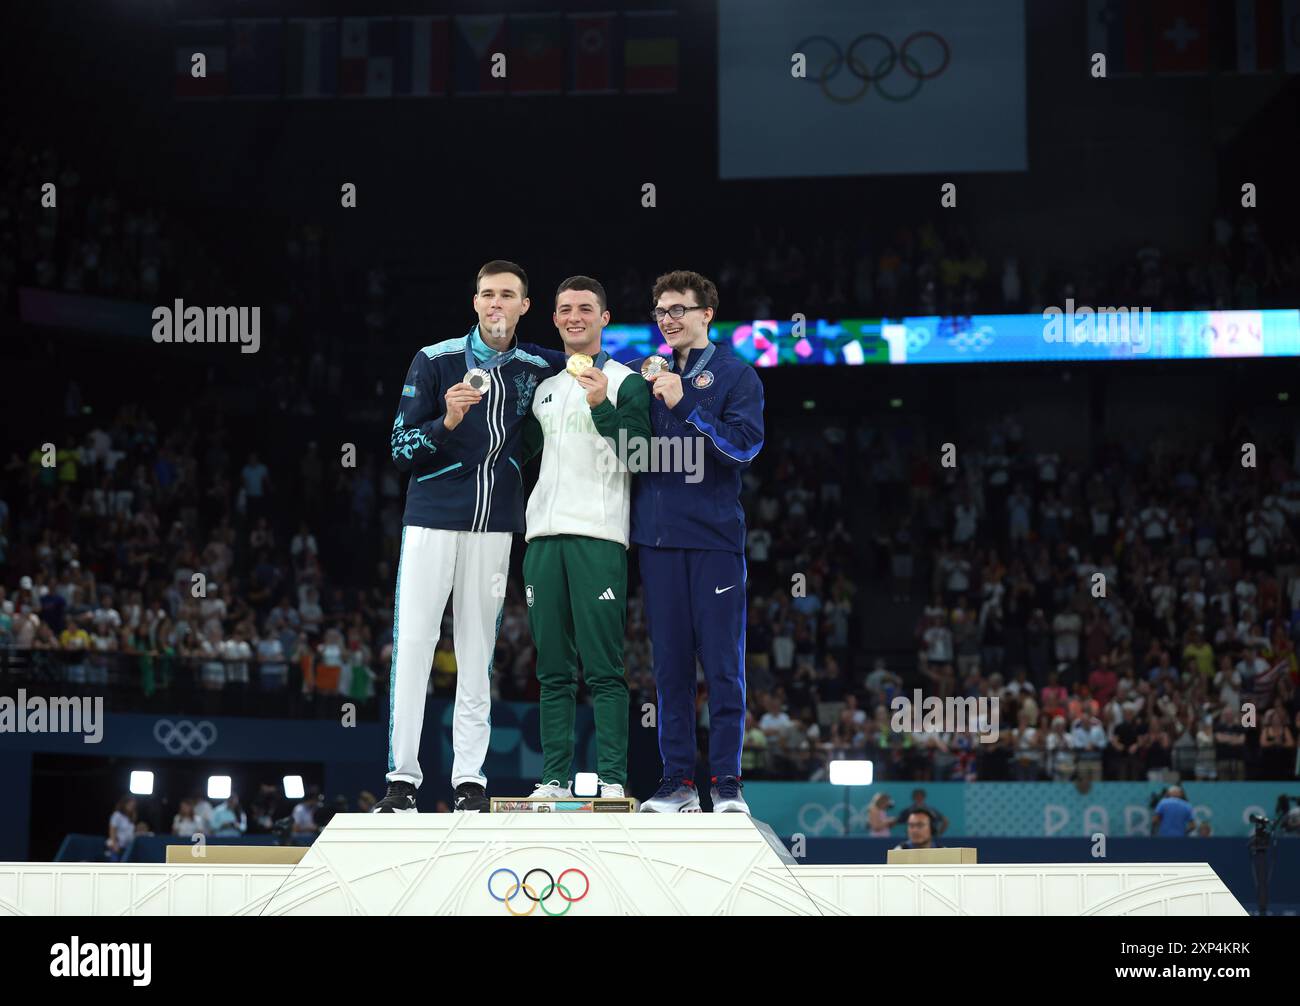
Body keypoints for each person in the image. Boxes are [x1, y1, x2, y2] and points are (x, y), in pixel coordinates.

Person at [375, 261, 565, 813]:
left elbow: (590, 363)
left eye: (508, 295)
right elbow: (400, 449)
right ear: (475, 303)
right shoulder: (433, 361)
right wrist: (447, 422)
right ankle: (401, 780)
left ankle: (469, 779)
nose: (496, 304)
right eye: (487, 295)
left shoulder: (535, 365)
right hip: (432, 518)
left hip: (494, 526)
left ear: (524, 306)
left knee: (478, 651)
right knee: (412, 646)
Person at [633, 271, 765, 813]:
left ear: (707, 313)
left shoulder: (737, 375)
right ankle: (678, 782)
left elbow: (742, 450)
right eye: (661, 311)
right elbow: (631, 451)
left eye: (679, 309)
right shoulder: (646, 376)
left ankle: (728, 783)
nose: (669, 319)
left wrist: (686, 404)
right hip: (658, 542)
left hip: (714, 541)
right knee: (669, 669)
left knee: (723, 665)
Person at [518, 276, 651, 800]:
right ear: (554, 319)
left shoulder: (625, 381)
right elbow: (516, 456)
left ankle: (613, 781)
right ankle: (553, 779)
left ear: (604, 318)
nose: (575, 317)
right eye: (565, 309)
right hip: (542, 539)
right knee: (552, 671)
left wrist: (600, 403)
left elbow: (640, 455)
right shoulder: (546, 390)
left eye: (585, 309)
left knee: (603, 669)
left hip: (597, 537)